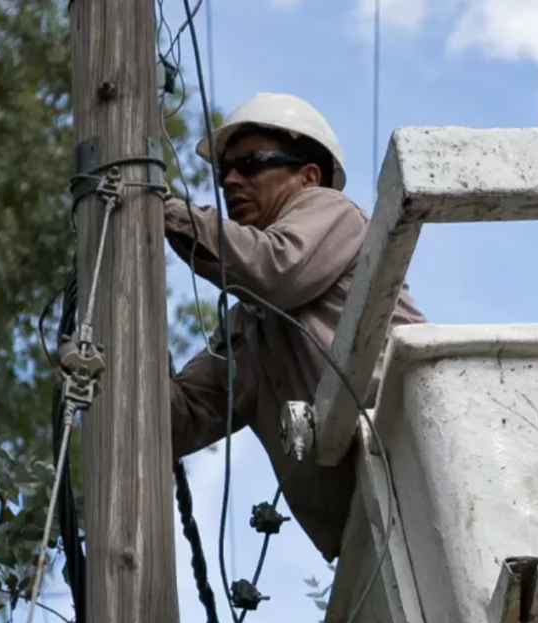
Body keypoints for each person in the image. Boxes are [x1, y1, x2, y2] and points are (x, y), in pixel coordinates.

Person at [164, 93, 426, 562]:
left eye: (252, 163)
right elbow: (175, 421)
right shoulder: (251, 331)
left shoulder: (334, 213)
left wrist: (163, 212)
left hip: (418, 460)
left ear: (309, 176)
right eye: (225, 170)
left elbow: (276, 269)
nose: (230, 180)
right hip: (365, 541)